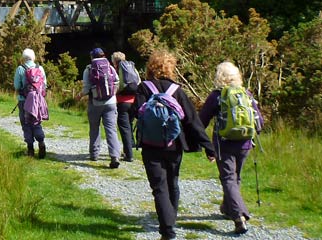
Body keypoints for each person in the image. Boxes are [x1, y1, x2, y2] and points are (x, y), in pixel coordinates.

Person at [135, 49, 216, 240]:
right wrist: (209, 147)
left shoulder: (143, 88)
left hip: (150, 145)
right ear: (171, 68)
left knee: (159, 187)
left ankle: (168, 230)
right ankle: (171, 219)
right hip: (174, 145)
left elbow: (135, 112)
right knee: (172, 182)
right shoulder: (177, 90)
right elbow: (192, 121)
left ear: (150, 67)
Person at [199, 61, 263, 235]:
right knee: (236, 178)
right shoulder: (246, 94)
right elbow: (259, 123)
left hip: (224, 143)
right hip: (245, 143)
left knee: (228, 178)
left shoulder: (216, 96)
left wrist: (201, 142)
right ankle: (228, 208)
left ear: (219, 77)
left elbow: (201, 121)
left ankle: (239, 217)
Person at [80, 48, 122, 169]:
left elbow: (86, 88)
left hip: (95, 103)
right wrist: (112, 93)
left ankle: (94, 154)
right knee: (111, 129)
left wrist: (79, 95)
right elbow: (117, 81)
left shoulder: (89, 69)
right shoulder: (110, 66)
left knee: (94, 128)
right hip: (111, 102)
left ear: (92, 57)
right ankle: (115, 157)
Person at [13, 48, 48, 158]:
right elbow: (45, 85)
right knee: (37, 122)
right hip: (38, 101)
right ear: (33, 57)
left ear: (23, 58)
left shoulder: (20, 69)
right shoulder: (40, 68)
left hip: (24, 101)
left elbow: (17, 86)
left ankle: (30, 150)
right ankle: (41, 143)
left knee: (26, 124)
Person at [111, 51, 139, 162]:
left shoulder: (117, 69)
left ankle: (129, 155)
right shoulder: (131, 66)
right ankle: (130, 148)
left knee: (124, 128)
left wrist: (116, 93)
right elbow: (139, 81)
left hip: (122, 102)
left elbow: (117, 84)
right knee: (129, 125)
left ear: (114, 60)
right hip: (134, 101)